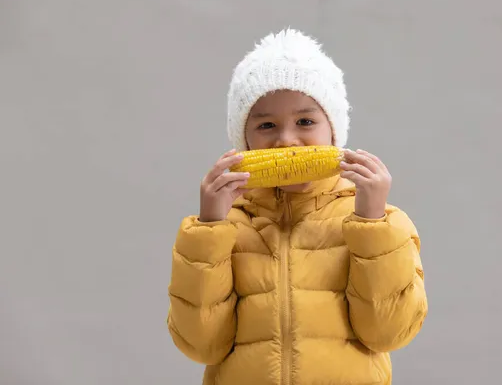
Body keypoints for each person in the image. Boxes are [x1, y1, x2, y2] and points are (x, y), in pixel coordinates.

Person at [166, 28, 428, 385]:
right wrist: (210, 229)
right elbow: (201, 346)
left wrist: (372, 222)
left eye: (305, 121)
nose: (286, 140)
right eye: (266, 125)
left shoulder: (380, 220)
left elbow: (389, 333)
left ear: (334, 132)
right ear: (243, 140)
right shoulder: (224, 226)